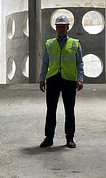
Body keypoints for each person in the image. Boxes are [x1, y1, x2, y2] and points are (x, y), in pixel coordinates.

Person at [39, 14, 84, 149]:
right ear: (56, 28)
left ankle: (70, 138)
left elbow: (79, 63)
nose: (61, 29)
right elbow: (45, 62)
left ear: (67, 28)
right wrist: (42, 79)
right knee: (51, 110)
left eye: (63, 26)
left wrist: (80, 79)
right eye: (58, 27)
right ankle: (49, 138)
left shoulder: (75, 43)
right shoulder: (50, 43)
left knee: (69, 110)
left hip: (69, 80)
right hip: (52, 79)